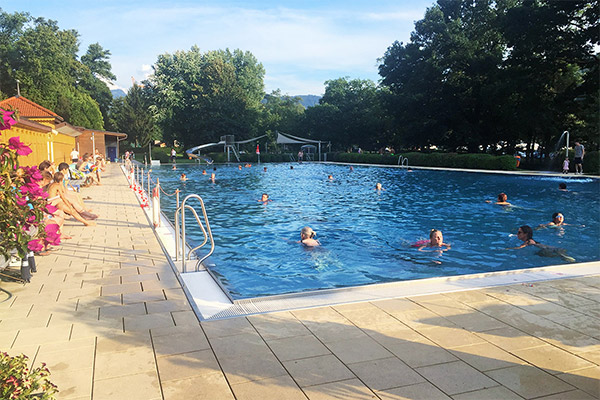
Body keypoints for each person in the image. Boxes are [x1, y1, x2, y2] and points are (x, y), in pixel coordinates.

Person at [508, 225, 575, 262]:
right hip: (548, 248)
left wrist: (507, 249)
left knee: (541, 254)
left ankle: (564, 257)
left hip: (549, 249)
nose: (517, 234)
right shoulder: (530, 240)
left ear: (525, 234)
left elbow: (520, 248)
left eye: (519, 232)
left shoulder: (528, 242)